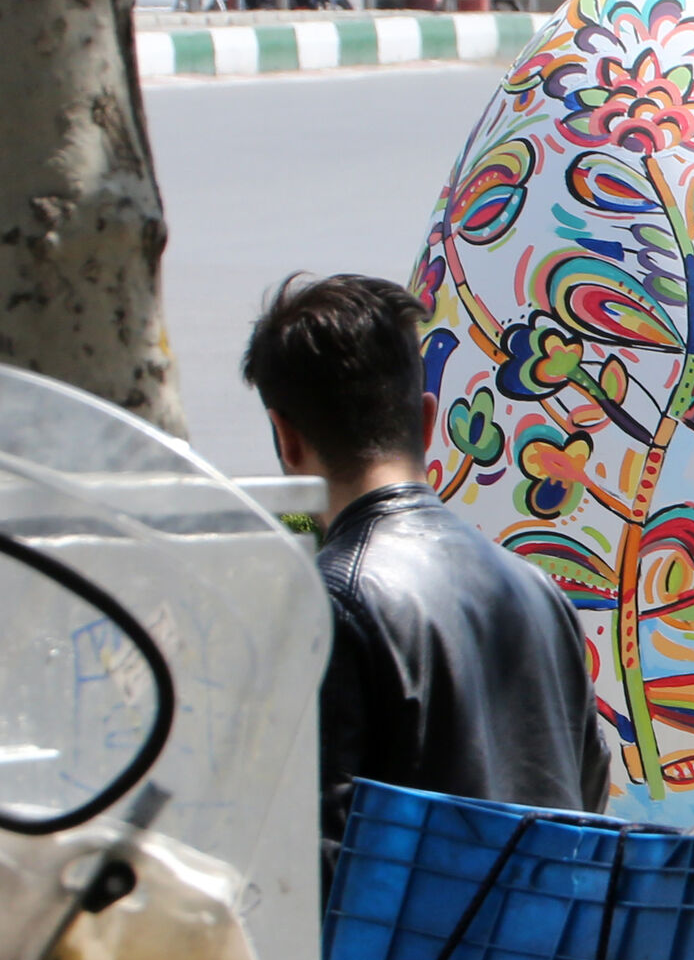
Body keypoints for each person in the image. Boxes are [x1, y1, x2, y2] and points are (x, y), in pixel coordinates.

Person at [241, 274, 610, 830]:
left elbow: (317, 844)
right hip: (550, 891)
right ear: (427, 419)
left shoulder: (330, 605)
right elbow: (588, 797)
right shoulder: (540, 593)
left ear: (286, 437)